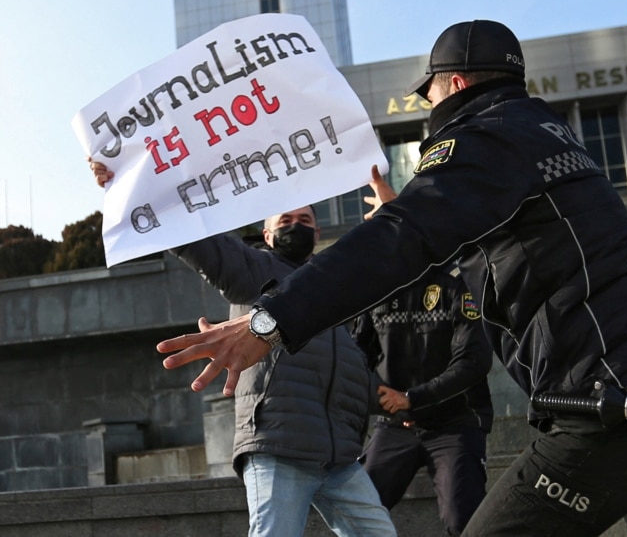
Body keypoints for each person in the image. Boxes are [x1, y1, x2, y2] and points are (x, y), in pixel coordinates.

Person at [157, 19, 627, 537]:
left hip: (614, 410)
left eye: (427, 91)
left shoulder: (486, 136)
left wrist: (269, 320)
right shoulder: (546, 135)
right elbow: (433, 242)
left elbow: (407, 237)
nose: (424, 104)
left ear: (454, 85)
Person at [89, 160, 397, 537]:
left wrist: (391, 400)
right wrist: (129, 186)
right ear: (266, 235)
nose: (295, 226)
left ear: (317, 232)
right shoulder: (254, 271)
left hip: (341, 457)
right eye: (285, 221)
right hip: (280, 447)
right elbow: (193, 236)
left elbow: (345, 364)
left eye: (303, 220)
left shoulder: (334, 288)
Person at [352, 258, 493, 536]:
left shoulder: (459, 281)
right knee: (357, 513)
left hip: (455, 424)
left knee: (463, 518)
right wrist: (387, 402)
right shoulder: (376, 288)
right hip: (394, 425)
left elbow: (473, 361)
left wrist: (412, 399)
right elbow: (357, 358)